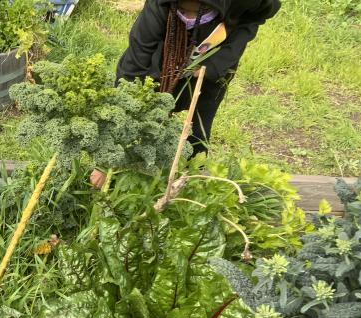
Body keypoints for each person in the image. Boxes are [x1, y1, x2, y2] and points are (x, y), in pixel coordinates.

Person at [90, 0, 280, 187]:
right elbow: (132, 70)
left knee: (198, 128)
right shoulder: (159, 7)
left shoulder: (246, 3)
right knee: (151, 119)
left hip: (211, 68)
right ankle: (136, 171)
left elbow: (254, 19)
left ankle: (189, 181)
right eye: (181, 9)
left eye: (196, 11)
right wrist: (106, 161)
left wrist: (216, 64)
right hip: (164, 61)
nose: (187, 17)